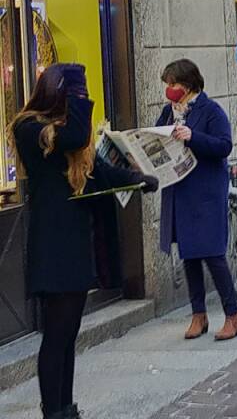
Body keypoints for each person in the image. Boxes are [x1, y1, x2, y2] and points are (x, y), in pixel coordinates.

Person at [13, 64, 158, 419]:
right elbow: (78, 136)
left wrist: (138, 179)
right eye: (76, 93)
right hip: (52, 243)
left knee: (70, 332)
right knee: (56, 335)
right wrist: (79, 95)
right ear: (60, 93)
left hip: (76, 242)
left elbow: (98, 172)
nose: (80, 99)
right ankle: (53, 411)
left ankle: (67, 406)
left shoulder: (62, 131)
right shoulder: (30, 128)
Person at [157, 59, 237, 342]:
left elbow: (223, 145)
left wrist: (193, 137)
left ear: (189, 84)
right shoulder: (169, 113)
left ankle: (232, 314)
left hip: (205, 192)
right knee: (189, 255)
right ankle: (198, 314)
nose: (169, 90)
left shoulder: (211, 110)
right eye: (167, 84)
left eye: (174, 84)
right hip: (179, 191)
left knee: (213, 254)